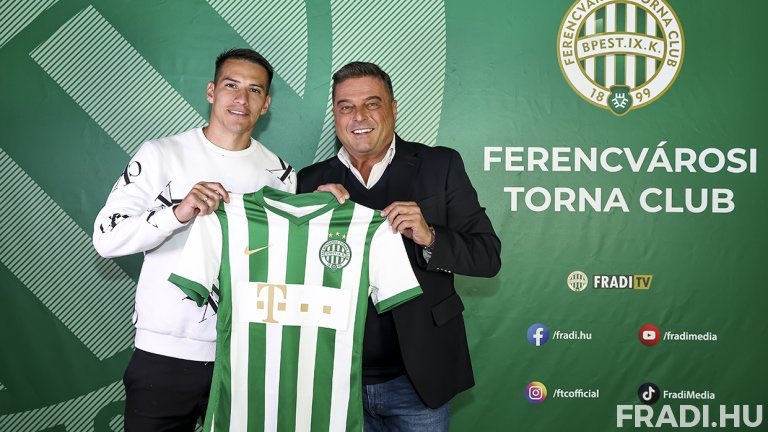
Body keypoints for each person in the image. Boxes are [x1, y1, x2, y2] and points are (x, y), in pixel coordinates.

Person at [92, 48, 296, 431]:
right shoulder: (160, 154)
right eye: (231, 85)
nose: (241, 98)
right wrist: (176, 213)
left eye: (254, 90)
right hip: (165, 355)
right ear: (211, 92)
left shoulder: (281, 175)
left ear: (266, 104)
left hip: (245, 357)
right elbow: (106, 238)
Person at [297, 62, 501, 431]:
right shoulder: (310, 182)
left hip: (418, 380)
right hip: (336, 379)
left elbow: (488, 256)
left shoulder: (440, 165)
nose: (358, 116)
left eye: (372, 104)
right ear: (336, 114)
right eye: (345, 106)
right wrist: (306, 221)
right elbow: (287, 276)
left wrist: (430, 236)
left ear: (393, 108)